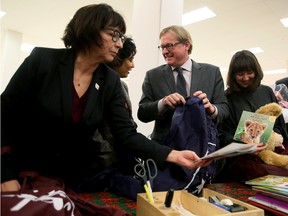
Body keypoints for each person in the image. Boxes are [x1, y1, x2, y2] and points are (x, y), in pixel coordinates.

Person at [1, 4, 207, 193]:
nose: (119, 44)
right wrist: (5, 174)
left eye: (121, 38)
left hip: (73, 180)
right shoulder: (42, 62)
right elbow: (5, 115)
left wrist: (173, 154)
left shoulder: (109, 81)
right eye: (114, 35)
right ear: (89, 29)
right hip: (23, 173)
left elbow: (126, 135)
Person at [137, 25, 229, 145]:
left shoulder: (211, 72)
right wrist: (162, 103)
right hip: (165, 149)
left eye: (169, 46)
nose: (165, 51)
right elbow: (142, 113)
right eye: (162, 47)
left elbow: (224, 108)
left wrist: (211, 109)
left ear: (186, 45)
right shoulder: (153, 75)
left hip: (202, 146)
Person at [215, 50, 288, 183]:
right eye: (240, 74)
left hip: (271, 150)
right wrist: (244, 145)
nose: (246, 78)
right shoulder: (227, 97)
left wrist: (274, 138)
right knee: (263, 175)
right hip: (241, 158)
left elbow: (279, 125)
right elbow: (222, 134)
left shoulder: (266, 92)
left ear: (257, 72)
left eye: (250, 73)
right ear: (233, 75)